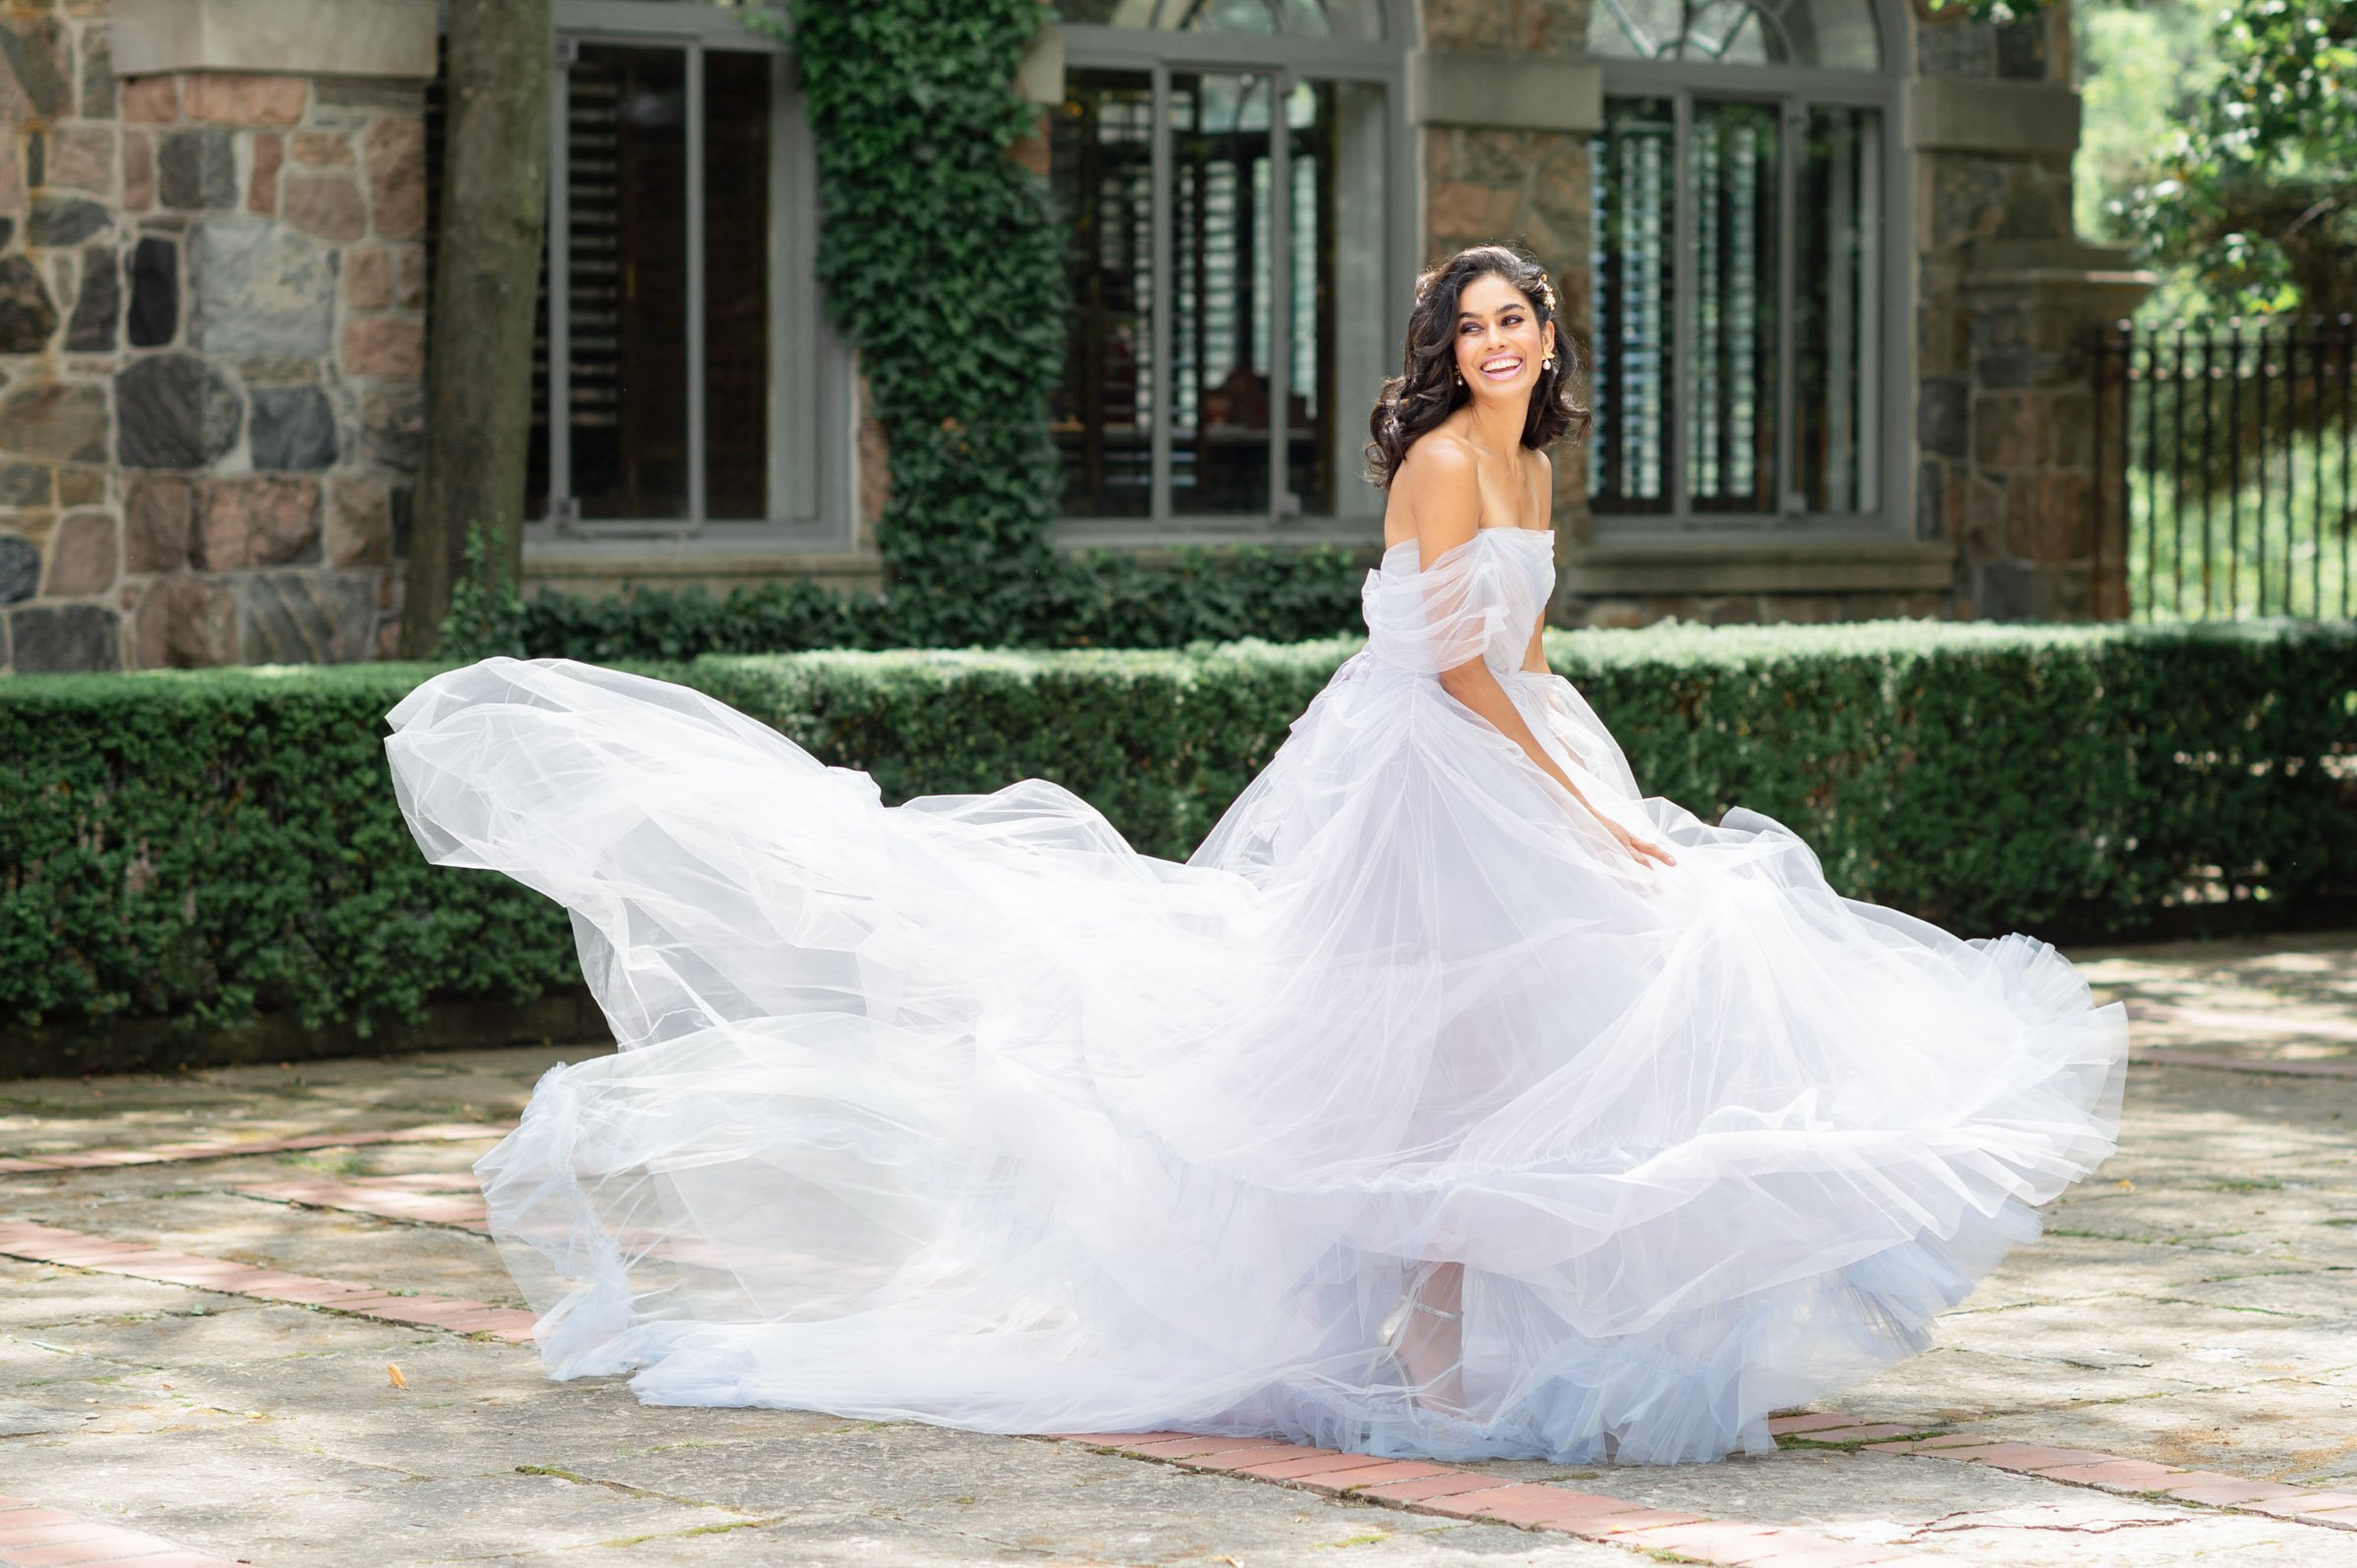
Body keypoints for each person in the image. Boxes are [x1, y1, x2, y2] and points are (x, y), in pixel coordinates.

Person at [384, 243, 2126, 1466]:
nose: (1504, 342)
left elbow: (1521, 652)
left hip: (1509, 744)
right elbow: (1448, 668)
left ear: (1548, 343)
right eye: (1479, 322)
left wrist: (1599, 768)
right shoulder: (1448, 460)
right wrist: (1586, 809)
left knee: (1542, 1043)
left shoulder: (1535, 467)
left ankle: (1487, 1344)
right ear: (1445, 347)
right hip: (1433, 776)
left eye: (1524, 320)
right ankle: (1438, 1352)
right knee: (1439, 1059)